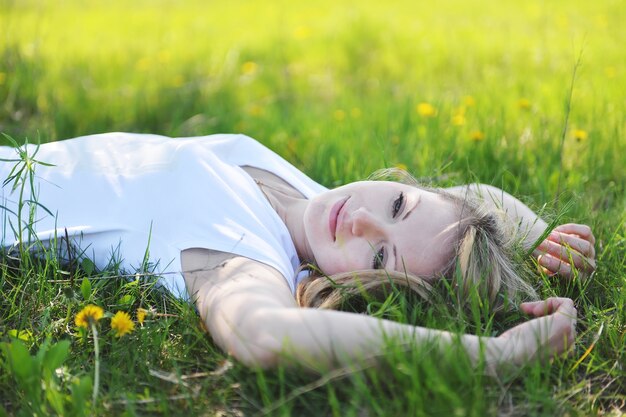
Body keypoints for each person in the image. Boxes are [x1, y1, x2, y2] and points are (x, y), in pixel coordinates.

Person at [0, 132, 596, 372]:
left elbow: (262, 333)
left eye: (379, 259)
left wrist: (491, 357)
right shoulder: (316, 202)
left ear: (362, 292)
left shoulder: (248, 248)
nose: (359, 219)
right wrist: (540, 237)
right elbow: (474, 196)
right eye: (397, 206)